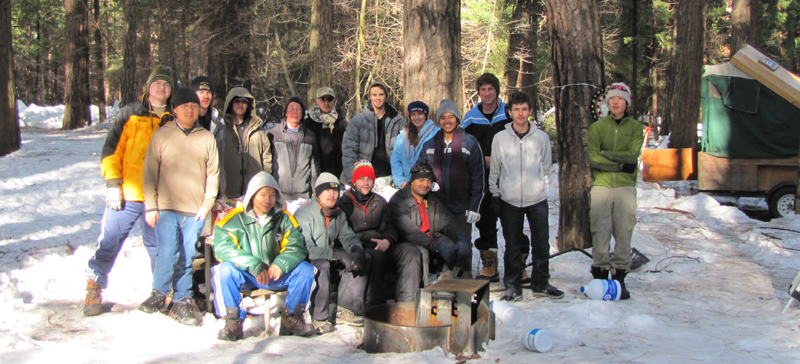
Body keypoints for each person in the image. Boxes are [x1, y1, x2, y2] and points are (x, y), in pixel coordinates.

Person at [84, 65, 174, 317]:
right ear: (148, 88)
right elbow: (111, 152)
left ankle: (162, 293)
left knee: (159, 246)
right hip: (127, 194)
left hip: (158, 197)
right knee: (110, 242)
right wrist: (113, 184)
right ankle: (93, 286)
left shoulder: (174, 118)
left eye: (166, 85)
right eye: (157, 83)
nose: (162, 88)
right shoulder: (130, 114)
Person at [138, 87, 220, 325]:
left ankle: (183, 299)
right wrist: (151, 206)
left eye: (194, 106)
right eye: (185, 106)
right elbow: (149, 172)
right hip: (166, 207)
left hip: (194, 210)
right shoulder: (162, 135)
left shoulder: (206, 137)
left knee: (186, 255)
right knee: (166, 252)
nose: (190, 110)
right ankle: (159, 293)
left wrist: (208, 203)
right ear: (175, 110)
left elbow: (213, 174)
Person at [212, 172, 316, 340]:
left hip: (277, 275)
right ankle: (233, 321)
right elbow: (224, 248)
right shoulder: (234, 220)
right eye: (262, 195)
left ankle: (292, 318)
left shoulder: (285, 219)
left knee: (305, 269)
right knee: (225, 270)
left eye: (272, 195)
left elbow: (296, 247)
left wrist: (281, 263)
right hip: (249, 276)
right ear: (252, 195)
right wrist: (253, 264)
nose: (267, 200)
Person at [489, 92, 562, 301]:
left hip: (536, 199)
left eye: (524, 109)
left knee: (541, 242)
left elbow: (546, 166)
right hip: (509, 199)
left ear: (530, 111)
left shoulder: (541, 138)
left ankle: (541, 282)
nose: (520, 114)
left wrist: (537, 183)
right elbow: (495, 170)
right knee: (512, 244)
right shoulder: (500, 139)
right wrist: (495, 196)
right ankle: (512, 285)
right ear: (510, 112)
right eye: (516, 109)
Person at [587, 82, 644, 300]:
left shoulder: (635, 128)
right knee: (600, 229)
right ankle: (600, 273)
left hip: (625, 187)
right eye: (612, 99)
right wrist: (619, 164)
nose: (616, 102)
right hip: (601, 185)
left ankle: (620, 276)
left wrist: (607, 155)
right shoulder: (598, 128)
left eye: (620, 98)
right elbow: (593, 158)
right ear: (607, 102)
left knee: (624, 229)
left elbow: (632, 156)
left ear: (626, 102)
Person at [294, 173, 368, 334]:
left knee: (360, 259)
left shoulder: (338, 214)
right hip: (308, 263)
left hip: (330, 258)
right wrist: (337, 254)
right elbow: (306, 249)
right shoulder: (303, 214)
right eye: (327, 190)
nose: (332, 194)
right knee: (322, 264)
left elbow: (347, 236)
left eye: (335, 191)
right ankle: (319, 317)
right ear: (318, 193)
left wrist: (356, 249)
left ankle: (344, 308)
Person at [338, 160, 421, 304]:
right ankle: (374, 305)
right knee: (374, 256)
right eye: (362, 178)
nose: (366, 182)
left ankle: (407, 302)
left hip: (381, 243)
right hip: (357, 247)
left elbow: (390, 225)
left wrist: (388, 240)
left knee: (410, 251)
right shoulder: (343, 203)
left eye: (369, 178)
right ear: (354, 181)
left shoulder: (380, 202)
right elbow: (342, 232)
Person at [419, 99, 484, 278]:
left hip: (461, 206)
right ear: (438, 120)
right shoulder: (430, 145)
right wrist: (428, 183)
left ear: (457, 118)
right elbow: (420, 172)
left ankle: (464, 280)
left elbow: (478, 177)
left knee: (463, 243)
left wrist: (474, 205)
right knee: (442, 243)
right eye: (443, 117)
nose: (447, 121)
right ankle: (443, 278)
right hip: (437, 207)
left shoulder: (469, 143)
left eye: (451, 117)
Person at [461, 73, 509, 282]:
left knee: (511, 220)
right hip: (482, 177)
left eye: (491, 89)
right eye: (483, 89)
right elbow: (462, 146)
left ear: (496, 90)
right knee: (486, 220)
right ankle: (490, 264)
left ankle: (518, 263)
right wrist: (481, 160)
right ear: (478, 92)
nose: (487, 93)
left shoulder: (508, 112)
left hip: (508, 176)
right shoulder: (471, 117)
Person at [389, 161, 471, 282]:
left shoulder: (433, 199)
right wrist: (434, 245)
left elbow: (449, 222)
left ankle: (448, 285)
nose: (425, 184)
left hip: (432, 239)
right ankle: (425, 290)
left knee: (455, 247)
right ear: (412, 181)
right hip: (407, 242)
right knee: (422, 252)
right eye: (421, 180)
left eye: (429, 181)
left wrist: (461, 239)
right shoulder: (399, 200)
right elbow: (409, 231)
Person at [341, 81, 406, 185]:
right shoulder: (357, 121)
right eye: (374, 95)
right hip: (364, 179)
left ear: (386, 96)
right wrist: (353, 177)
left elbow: (406, 152)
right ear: (369, 97)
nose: (378, 98)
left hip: (391, 178)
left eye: (381, 94)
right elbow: (348, 152)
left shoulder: (398, 121)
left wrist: (403, 178)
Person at [221, 87, 272, 198]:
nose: (241, 104)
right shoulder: (222, 129)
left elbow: (266, 156)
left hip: (255, 190)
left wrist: (265, 178)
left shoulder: (257, 129)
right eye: (237, 101)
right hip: (229, 191)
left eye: (244, 102)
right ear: (230, 103)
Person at [269, 97, 321, 200]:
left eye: (299, 109)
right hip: (278, 195)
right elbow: (267, 165)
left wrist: (316, 195)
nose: (295, 112)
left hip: (303, 196)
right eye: (291, 108)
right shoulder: (274, 134)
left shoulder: (309, 136)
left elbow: (315, 170)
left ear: (302, 114)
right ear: (285, 112)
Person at [390, 101, 439, 188]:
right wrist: (401, 182)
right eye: (413, 114)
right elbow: (395, 161)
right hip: (406, 187)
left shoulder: (436, 134)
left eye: (420, 114)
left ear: (425, 115)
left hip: (427, 186)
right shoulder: (403, 135)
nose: (416, 117)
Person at [192, 76, 226, 197]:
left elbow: (221, 158)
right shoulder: (187, 122)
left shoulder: (219, 123)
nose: (205, 96)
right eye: (201, 92)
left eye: (208, 92)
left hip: (214, 187)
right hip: (191, 186)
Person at [303, 87, 347, 178]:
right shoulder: (308, 124)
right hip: (314, 174)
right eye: (323, 99)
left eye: (329, 99)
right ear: (317, 101)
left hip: (337, 174)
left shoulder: (342, 123)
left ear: (334, 100)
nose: (326, 103)